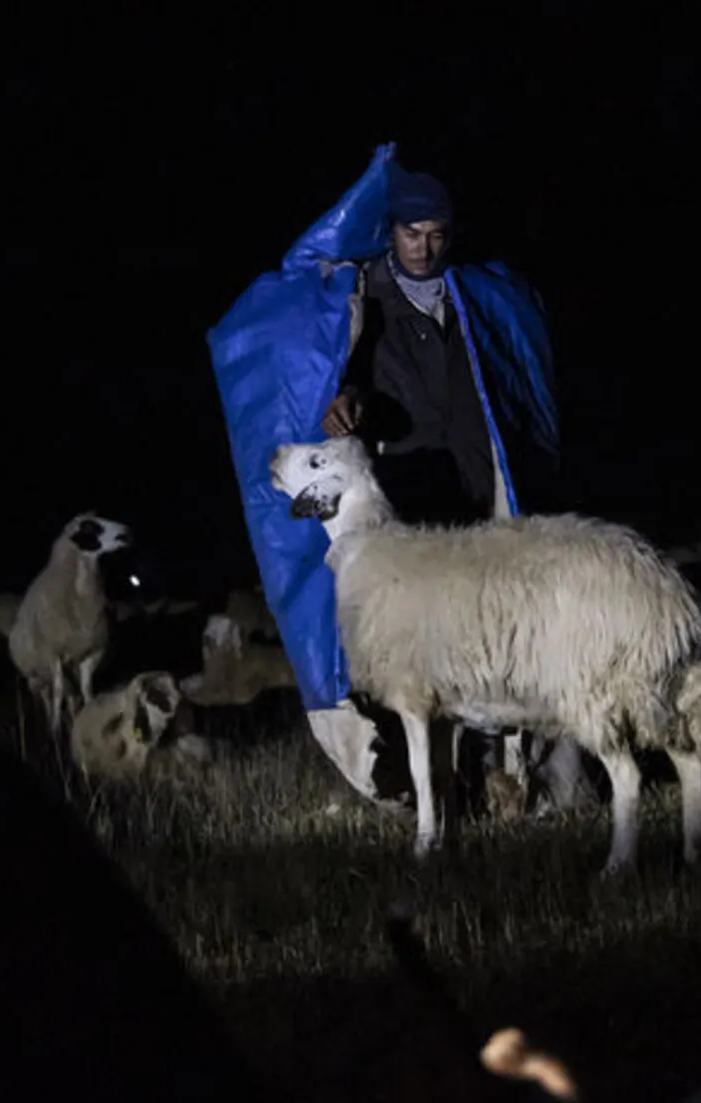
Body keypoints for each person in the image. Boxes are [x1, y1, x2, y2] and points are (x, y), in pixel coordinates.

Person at [208, 144, 591, 812]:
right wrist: (349, 401)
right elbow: (340, 374)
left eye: (436, 235)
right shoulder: (365, 296)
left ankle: (515, 776)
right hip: (412, 490)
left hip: (477, 484)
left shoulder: (472, 295)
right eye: (412, 234)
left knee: (498, 627)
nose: (423, 246)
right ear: (391, 232)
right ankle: (431, 788)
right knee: (422, 644)